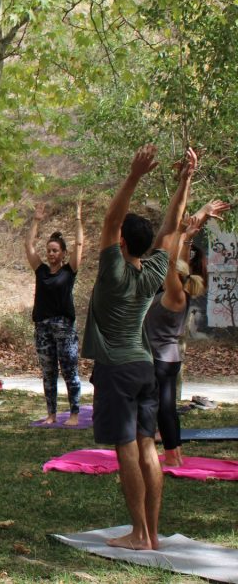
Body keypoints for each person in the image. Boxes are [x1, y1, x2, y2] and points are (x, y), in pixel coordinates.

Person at [83, 144, 196, 551]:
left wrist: (133, 177)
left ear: (123, 244)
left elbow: (112, 220)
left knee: (127, 447)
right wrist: (184, 182)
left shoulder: (115, 272)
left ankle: (138, 534)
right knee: (149, 445)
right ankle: (151, 534)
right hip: (146, 369)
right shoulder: (151, 273)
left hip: (116, 370)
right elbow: (171, 229)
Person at [144, 200, 230, 467]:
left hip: (159, 360)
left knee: (160, 409)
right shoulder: (181, 293)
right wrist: (197, 221)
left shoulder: (174, 294)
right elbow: (177, 262)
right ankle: (174, 453)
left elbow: (170, 262)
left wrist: (187, 237)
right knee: (167, 409)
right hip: (170, 359)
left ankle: (166, 453)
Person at [24, 201, 85, 425]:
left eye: (55, 251)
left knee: (69, 369)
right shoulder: (41, 271)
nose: (50, 254)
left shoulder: (69, 271)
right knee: (48, 371)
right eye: (49, 250)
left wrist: (78, 218)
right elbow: (29, 246)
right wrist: (36, 220)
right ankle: (51, 414)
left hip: (64, 327)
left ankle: (75, 414)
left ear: (63, 253)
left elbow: (79, 244)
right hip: (42, 326)